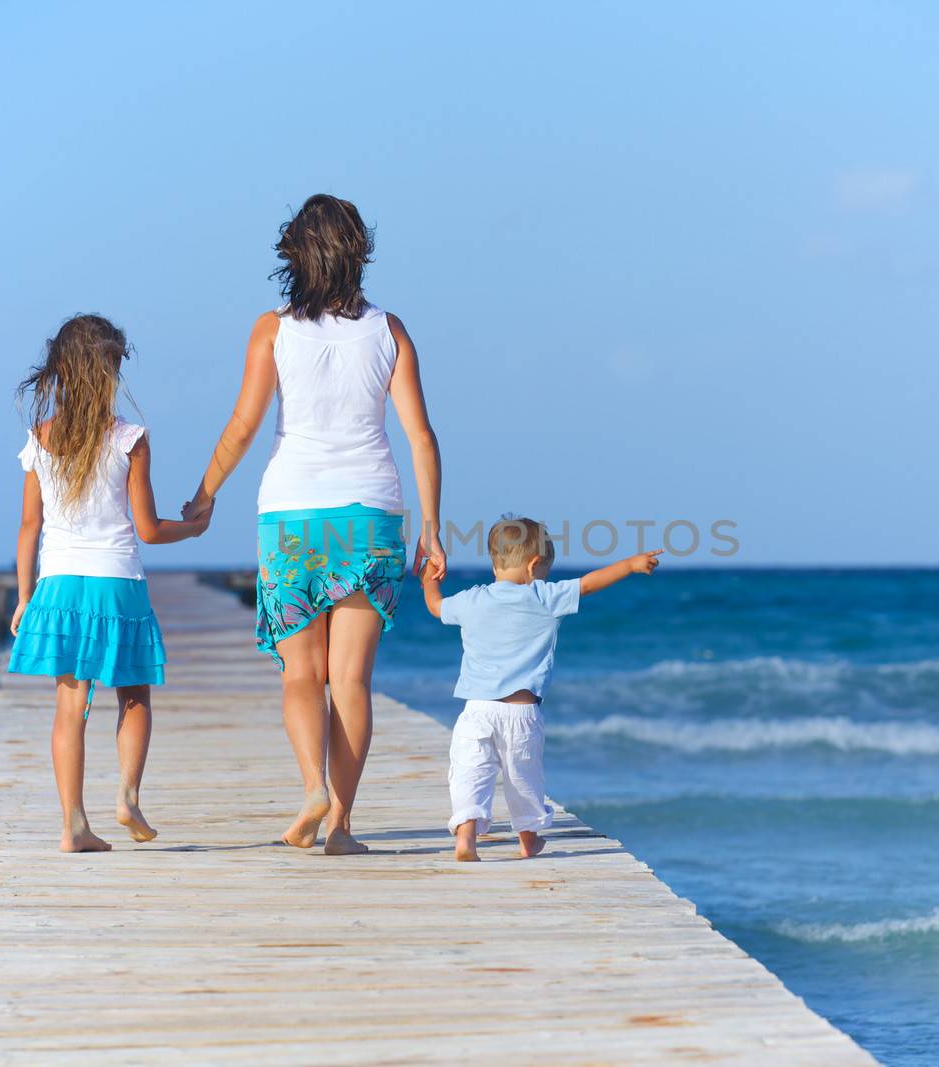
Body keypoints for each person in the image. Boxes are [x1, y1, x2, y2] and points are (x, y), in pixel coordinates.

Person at [182, 195, 444, 856]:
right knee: (350, 679)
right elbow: (420, 437)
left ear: (295, 254)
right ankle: (342, 826)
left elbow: (242, 426)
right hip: (371, 515)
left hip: (293, 514)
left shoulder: (272, 330)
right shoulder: (390, 332)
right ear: (358, 251)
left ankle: (311, 788)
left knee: (301, 673)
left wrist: (205, 492)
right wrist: (432, 528)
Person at [8, 314, 211, 853]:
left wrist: (25, 596)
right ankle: (126, 796)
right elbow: (147, 529)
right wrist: (193, 527)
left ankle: (73, 822)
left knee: (69, 707)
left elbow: (30, 528)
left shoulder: (41, 438)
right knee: (134, 695)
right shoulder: (129, 438)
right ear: (108, 371)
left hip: (58, 588)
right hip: (116, 582)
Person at [420, 516, 660, 861]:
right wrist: (629, 565)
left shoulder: (471, 601)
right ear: (534, 566)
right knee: (524, 779)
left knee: (470, 773)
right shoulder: (543, 597)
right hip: (521, 713)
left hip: (476, 712)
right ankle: (528, 840)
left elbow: (435, 607)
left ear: (494, 561)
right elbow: (589, 585)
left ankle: (466, 839)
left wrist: (429, 581)